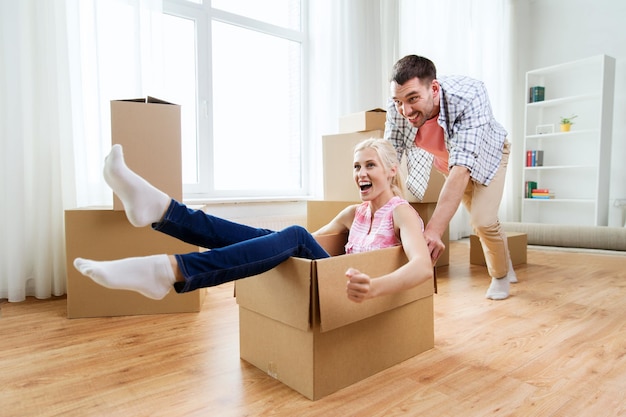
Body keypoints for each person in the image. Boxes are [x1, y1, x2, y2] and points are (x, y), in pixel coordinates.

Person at [73, 138, 433, 303]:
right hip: (331, 279)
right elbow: (300, 243)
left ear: (390, 170)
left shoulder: (401, 212)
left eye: (369, 165)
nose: (361, 173)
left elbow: (422, 268)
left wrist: (376, 288)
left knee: (290, 235)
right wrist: (272, 244)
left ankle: (169, 243)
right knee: (274, 237)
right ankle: (164, 215)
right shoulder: (354, 213)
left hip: (351, 292)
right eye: (357, 166)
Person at [385, 54, 517, 300]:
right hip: (449, 162)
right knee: (483, 223)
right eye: (399, 102)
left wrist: (433, 230)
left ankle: (500, 275)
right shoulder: (399, 103)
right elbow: (390, 157)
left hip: (490, 156)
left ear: (434, 88)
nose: (406, 110)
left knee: (483, 221)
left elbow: (462, 167)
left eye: (413, 99)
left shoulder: (469, 95)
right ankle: (504, 260)